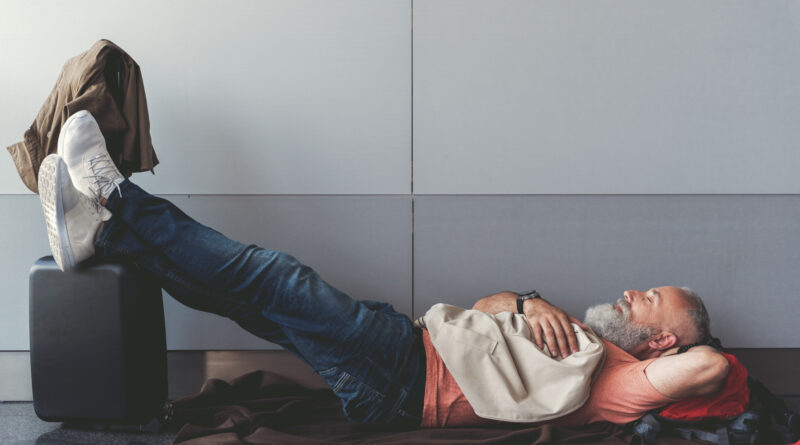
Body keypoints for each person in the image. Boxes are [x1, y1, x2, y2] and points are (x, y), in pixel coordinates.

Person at [36, 110, 730, 429]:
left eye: (652, 303)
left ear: (664, 344)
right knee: (243, 295)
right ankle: (103, 236)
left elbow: (712, 371)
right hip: (406, 345)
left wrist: (700, 351)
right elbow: (488, 304)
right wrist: (527, 297)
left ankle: (115, 193)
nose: (635, 293)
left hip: (400, 375)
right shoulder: (579, 335)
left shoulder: (622, 381)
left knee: (270, 276)